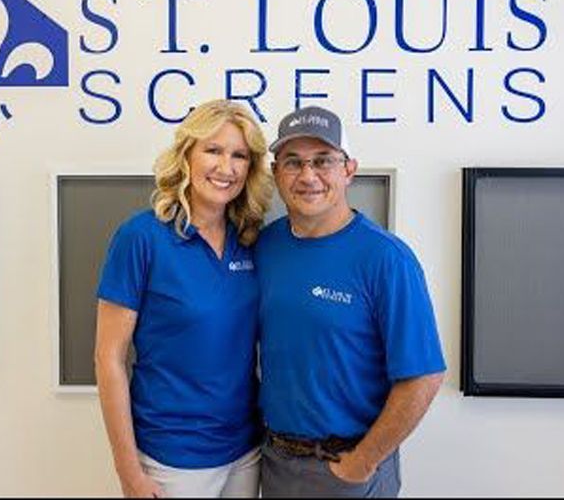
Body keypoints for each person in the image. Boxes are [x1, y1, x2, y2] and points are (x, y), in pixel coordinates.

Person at [255, 105, 446, 498]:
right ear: (276, 172)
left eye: (323, 160)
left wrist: (363, 461)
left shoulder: (386, 259)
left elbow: (423, 377)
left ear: (349, 170)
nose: (308, 176)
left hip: (347, 469)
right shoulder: (265, 246)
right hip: (274, 463)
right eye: (293, 162)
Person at [94, 100, 273, 498]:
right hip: (171, 457)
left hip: (246, 450)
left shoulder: (250, 239)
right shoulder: (141, 238)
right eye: (213, 150)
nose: (226, 167)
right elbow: (108, 359)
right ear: (187, 155)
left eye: (239, 155)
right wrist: (128, 471)